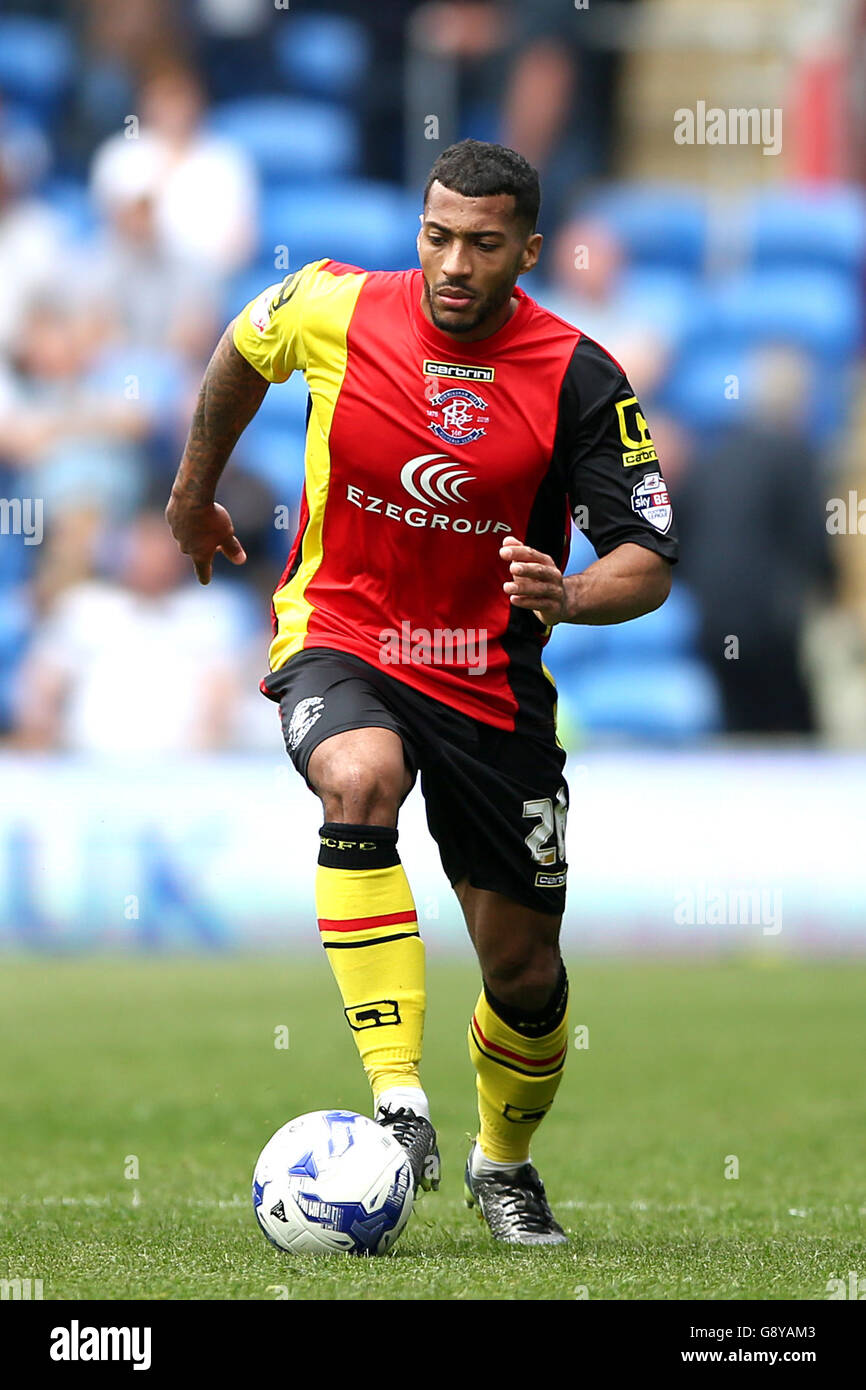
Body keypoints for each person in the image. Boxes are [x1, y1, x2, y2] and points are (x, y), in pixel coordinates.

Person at [166, 140, 678, 1245]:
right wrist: (190, 495)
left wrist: (573, 591)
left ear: (526, 251)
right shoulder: (330, 306)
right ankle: (396, 1102)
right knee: (358, 775)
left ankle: (504, 1164)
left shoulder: (580, 375)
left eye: (482, 244)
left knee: (525, 973)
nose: (453, 262)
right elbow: (236, 355)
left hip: (487, 677)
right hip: (341, 632)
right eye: (437, 236)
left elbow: (647, 557)